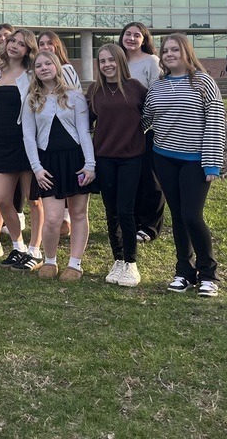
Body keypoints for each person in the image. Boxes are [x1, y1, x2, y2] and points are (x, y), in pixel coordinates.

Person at [143, 33, 225, 298]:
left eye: (174, 50)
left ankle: (208, 273)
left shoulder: (203, 82)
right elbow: (145, 120)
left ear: (186, 52)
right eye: (165, 50)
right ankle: (183, 271)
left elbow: (215, 122)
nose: (169, 54)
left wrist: (212, 163)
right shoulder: (157, 86)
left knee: (192, 215)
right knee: (177, 216)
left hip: (195, 160)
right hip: (163, 158)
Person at [23, 51, 96, 280]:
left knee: (77, 213)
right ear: (34, 71)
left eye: (48, 64)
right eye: (38, 65)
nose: (44, 68)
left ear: (57, 66)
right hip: (48, 164)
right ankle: (50, 260)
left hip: (75, 160)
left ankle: (75, 263)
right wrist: (36, 168)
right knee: (53, 218)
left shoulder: (74, 96)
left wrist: (90, 165)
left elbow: (84, 132)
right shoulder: (31, 99)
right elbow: (28, 136)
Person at [87, 44, 147, 287]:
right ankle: (118, 259)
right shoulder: (94, 90)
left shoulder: (136, 89)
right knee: (110, 211)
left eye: (111, 60)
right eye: (102, 61)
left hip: (131, 157)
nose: (107, 65)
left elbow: (150, 114)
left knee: (126, 210)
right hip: (104, 157)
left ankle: (131, 263)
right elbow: (84, 122)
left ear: (120, 61)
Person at [0, 28, 39, 269]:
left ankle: (35, 250)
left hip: (27, 142)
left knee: (34, 200)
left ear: (28, 50)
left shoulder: (31, 74)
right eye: (12, 41)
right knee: (2, 198)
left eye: (21, 43)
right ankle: (18, 247)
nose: (14, 46)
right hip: (2, 142)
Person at [118, 21, 165, 244]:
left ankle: (150, 226)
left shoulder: (151, 61)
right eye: (128, 34)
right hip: (124, 129)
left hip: (147, 128)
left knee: (150, 179)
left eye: (137, 35)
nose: (132, 38)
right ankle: (134, 221)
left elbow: (156, 95)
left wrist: (145, 124)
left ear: (144, 40)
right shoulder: (119, 61)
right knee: (132, 177)